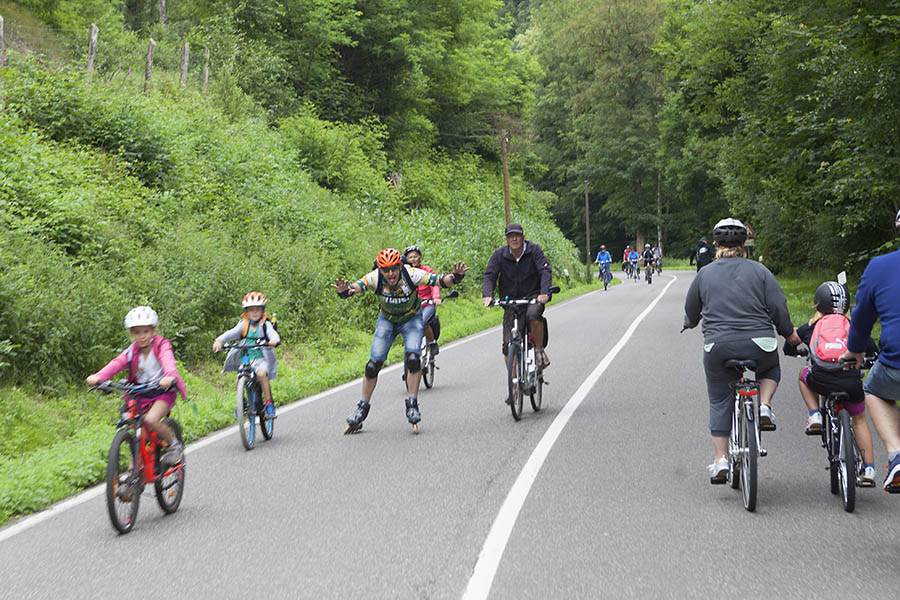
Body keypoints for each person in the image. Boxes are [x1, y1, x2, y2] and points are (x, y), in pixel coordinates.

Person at [683, 218, 801, 483]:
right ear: (744, 244)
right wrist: (788, 333)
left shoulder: (705, 274)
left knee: (718, 399)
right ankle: (765, 406)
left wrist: (689, 323)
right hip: (760, 343)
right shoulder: (760, 271)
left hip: (719, 346)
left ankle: (720, 459)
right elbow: (778, 307)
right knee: (770, 368)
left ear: (716, 244)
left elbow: (692, 309)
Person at [333, 248, 468, 432]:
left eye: (394, 269)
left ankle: (412, 404)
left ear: (400, 266)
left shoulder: (411, 273)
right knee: (372, 366)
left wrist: (455, 277)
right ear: (380, 270)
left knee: (413, 360)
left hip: (411, 319)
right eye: (386, 270)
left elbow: (438, 280)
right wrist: (344, 292)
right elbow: (355, 288)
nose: (391, 274)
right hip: (387, 321)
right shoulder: (374, 277)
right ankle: (361, 408)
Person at [784, 281, 876, 485]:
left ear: (817, 304)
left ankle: (814, 414)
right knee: (859, 420)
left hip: (822, 380)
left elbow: (790, 344)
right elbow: (871, 348)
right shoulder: (854, 326)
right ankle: (869, 469)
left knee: (803, 375)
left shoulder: (812, 326)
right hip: (851, 381)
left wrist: (792, 351)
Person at [841, 208, 900, 491]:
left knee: (874, 390)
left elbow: (862, 318)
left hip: (896, 363)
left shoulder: (880, 267)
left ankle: (897, 455)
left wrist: (855, 350)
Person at [86, 306, 188, 466]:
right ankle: (131, 477)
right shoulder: (131, 351)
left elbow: (168, 361)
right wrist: (99, 376)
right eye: (137, 333)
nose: (141, 337)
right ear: (131, 334)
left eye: (146, 332)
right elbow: (117, 363)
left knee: (151, 420)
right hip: (140, 394)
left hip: (162, 392)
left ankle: (174, 445)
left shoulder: (161, 345)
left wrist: (169, 376)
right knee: (138, 436)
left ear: (153, 330)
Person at [482, 222, 553, 383]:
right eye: (510, 236)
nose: (514, 239)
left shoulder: (534, 250)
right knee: (508, 345)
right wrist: (488, 295)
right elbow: (489, 275)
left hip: (533, 296)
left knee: (534, 315)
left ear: (523, 237)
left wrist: (544, 292)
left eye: (517, 235)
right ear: (506, 239)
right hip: (511, 301)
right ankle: (513, 384)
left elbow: (544, 270)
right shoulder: (499, 255)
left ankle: (540, 351)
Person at [213, 292, 281, 420]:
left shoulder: (265, 324)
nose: (255, 313)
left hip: (262, 357)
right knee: (239, 380)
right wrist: (219, 340)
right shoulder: (244, 324)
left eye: (257, 310)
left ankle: (268, 403)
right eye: (251, 310)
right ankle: (242, 402)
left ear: (262, 311)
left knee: (261, 374)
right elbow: (231, 333)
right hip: (247, 357)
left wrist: (274, 341)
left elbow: (273, 334)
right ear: (246, 312)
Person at [404, 245, 441, 356]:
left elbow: (434, 283)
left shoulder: (427, 270)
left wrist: (435, 297)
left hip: (426, 304)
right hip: (410, 305)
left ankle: (433, 342)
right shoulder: (403, 273)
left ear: (420, 257)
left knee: (422, 322)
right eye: (410, 257)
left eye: (415, 256)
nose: (413, 259)